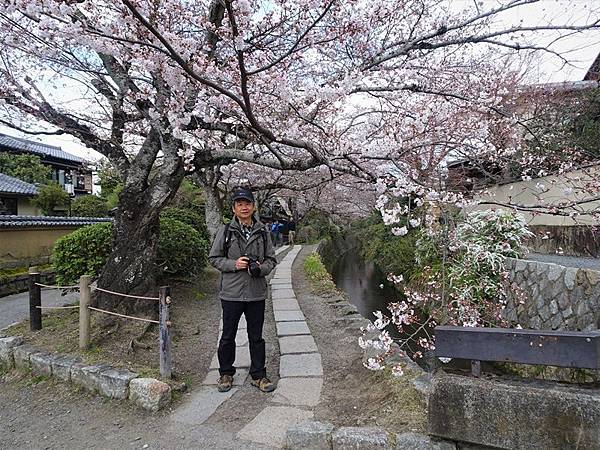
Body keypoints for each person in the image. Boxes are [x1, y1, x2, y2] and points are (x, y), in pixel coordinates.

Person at [208, 188, 278, 393]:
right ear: (233, 209)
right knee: (228, 335)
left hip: (256, 292)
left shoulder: (263, 231)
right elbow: (214, 258)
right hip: (232, 293)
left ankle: (259, 375)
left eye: (247, 203)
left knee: (256, 336)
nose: (244, 207)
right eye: (239, 204)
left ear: (253, 206)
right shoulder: (226, 231)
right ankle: (226, 373)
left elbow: (272, 259)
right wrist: (234, 264)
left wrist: (261, 269)